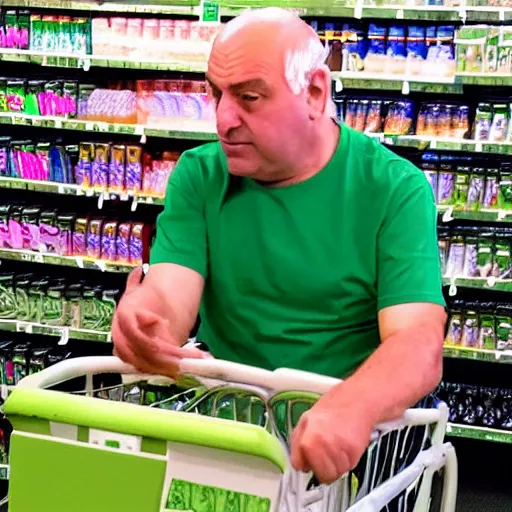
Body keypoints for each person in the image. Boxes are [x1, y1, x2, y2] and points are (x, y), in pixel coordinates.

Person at [112, 7, 446, 485]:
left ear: (314, 92)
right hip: (228, 426)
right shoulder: (200, 176)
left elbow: (417, 341)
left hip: (348, 444)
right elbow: (170, 296)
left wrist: (353, 405)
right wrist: (145, 321)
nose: (224, 119)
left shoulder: (394, 188)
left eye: (249, 97)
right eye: (216, 93)